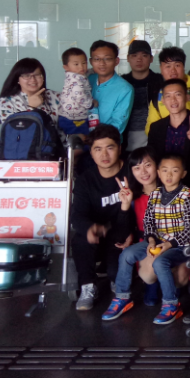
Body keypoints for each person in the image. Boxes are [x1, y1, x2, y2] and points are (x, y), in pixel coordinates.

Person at [102, 152, 190, 325]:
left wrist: (169, 244)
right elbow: (148, 221)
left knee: (160, 262)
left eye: (175, 171)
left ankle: (171, 304)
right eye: (165, 170)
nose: (169, 175)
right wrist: (152, 240)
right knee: (126, 255)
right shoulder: (155, 195)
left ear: (183, 173)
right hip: (157, 240)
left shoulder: (187, 196)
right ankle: (122, 297)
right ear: (159, 173)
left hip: (179, 245)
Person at [70, 125, 135, 311]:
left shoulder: (132, 172)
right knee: (80, 239)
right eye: (98, 149)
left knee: (116, 274)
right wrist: (90, 228)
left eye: (110, 147)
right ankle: (87, 286)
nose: (104, 154)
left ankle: (116, 277)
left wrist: (135, 233)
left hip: (124, 234)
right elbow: (77, 215)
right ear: (91, 153)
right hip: (99, 235)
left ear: (119, 149)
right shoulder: (86, 180)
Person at [147, 79, 190, 191]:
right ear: (163, 100)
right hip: (165, 188)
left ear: (187, 97)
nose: (173, 100)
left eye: (178, 94)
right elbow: (152, 158)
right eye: (168, 96)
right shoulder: (156, 127)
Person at [145, 47, 190, 132]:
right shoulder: (157, 92)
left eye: (177, 65)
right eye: (168, 66)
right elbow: (150, 128)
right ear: (161, 69)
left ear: (184, 67)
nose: (173, 70)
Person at [125, 145, 162, 306]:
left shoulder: (171, 192)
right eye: (137, 168)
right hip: (146, 243)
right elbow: (127, 225)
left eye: (147, 165)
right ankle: (150, 284)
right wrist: (125, 206)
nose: (143, 172)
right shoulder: (133, 197)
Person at [0, 58, 62, 139]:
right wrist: (31, 108)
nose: (33, 79)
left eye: (37, 75)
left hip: (57, 145)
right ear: (17, 79)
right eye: (26, 76)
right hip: (23, 146)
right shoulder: (7, 101)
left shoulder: (56, 96)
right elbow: (13, 132)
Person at [87, 40, 134, 135]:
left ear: (116, 61)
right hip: (82, 139)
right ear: (91, 61)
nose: (102, 63)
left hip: (107, 140)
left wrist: (95, 139)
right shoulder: (87, 81)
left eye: (107, 59)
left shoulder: (125, 89)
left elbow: (118, 124)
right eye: (97, 59)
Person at [123, 40, 163, 150]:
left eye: (144, 56)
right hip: (125, 142)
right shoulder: (121, 83)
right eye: (134, 55)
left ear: (151, 59)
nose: (139, 59)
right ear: (128, 58)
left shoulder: (161, 82)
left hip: (155, 141)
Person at [58, 47, 93, 137]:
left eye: (84, 63)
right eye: (76, 64)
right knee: (79, 140)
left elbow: (86, 72)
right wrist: (91, 104)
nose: (81, 67)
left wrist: (93, 70)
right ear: (66, 67)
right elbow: (80, 96)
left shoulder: (76, 75)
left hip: (68, 116)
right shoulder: (76, 81)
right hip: (74, 119)